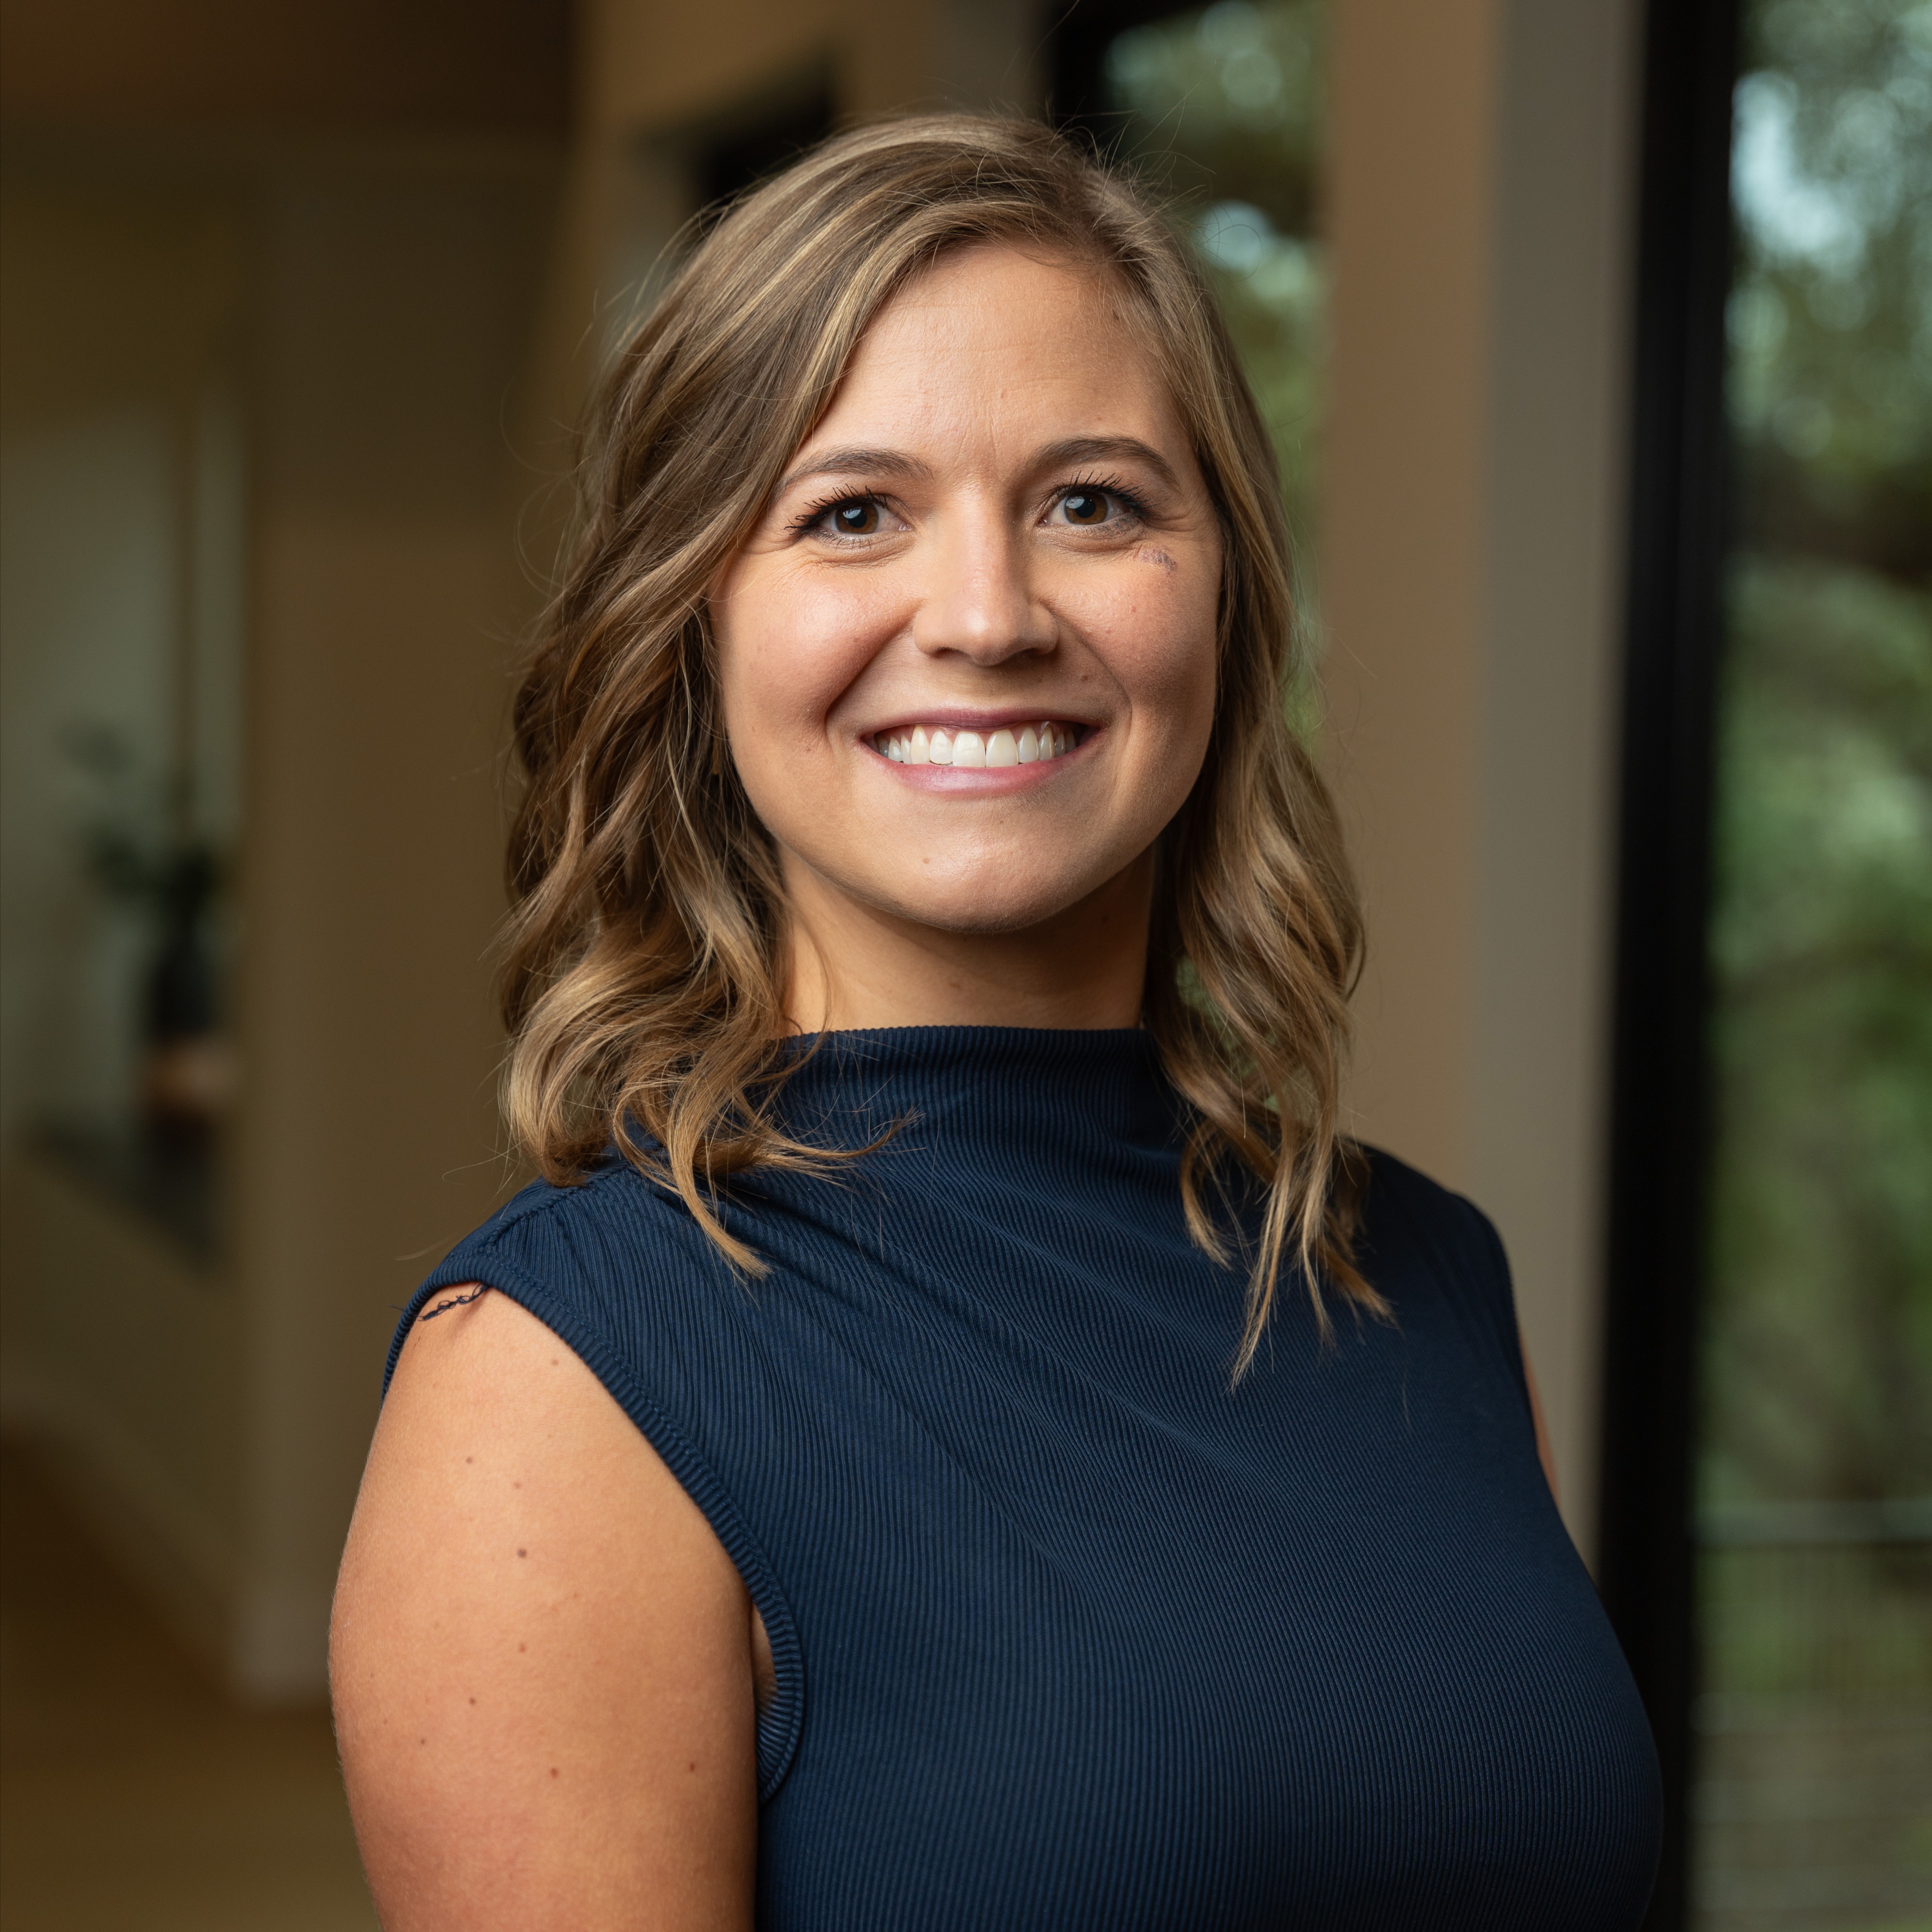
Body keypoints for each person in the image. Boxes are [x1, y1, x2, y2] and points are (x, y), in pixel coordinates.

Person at [329, 114, 1662, 1930]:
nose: (987, 615)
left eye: (1093, 502)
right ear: (692, 626)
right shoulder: (562, 1379)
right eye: (852, 513)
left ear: (1224, 599)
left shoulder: (1421, 1274)